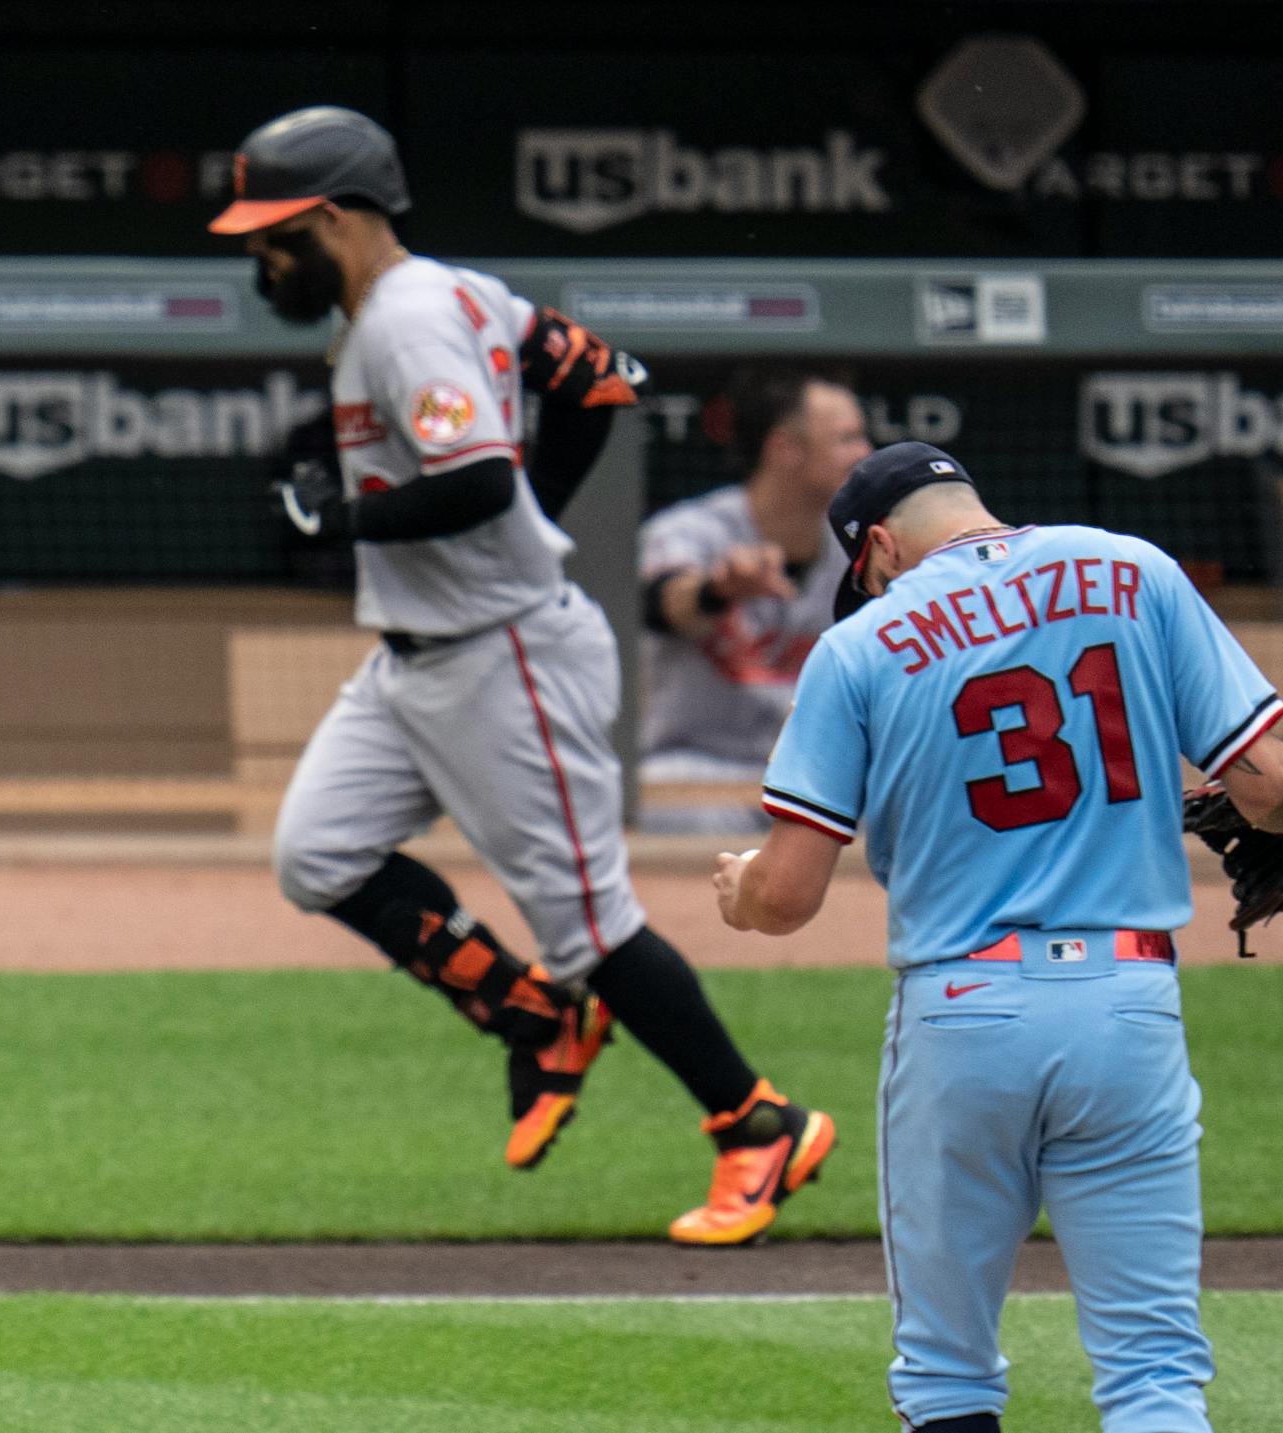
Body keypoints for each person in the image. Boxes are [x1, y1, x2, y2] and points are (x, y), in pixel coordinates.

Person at [213, 104, 833, 1244]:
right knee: (318, 853)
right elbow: (598, 377)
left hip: (505, 656)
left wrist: (347, 515)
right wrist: (515, 507)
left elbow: (484, 486)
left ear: (340, 216)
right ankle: (536, 1020)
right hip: (418, 654)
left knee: (591, 923)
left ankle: (759, 1124)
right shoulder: (446, 294)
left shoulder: (405, 322)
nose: (260, 255)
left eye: (275, 231)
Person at [713, 442, 1283, 1430]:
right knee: (1155, 1372)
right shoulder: (1135, 569)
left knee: (947, 1373)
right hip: (1128, 1004)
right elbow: (1265, 785)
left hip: (964, 1012)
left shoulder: (862, 642)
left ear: (877, 544)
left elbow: (788, 896)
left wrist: (740, 890)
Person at [638, 370, 870, 833]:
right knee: (663, 802)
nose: (864, 454)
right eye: (846, 439)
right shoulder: (693, 531)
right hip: (698, 768)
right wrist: (715, 590)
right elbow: (663, 605)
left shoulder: (863, 547)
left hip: (815, 773)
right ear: (786, 448)